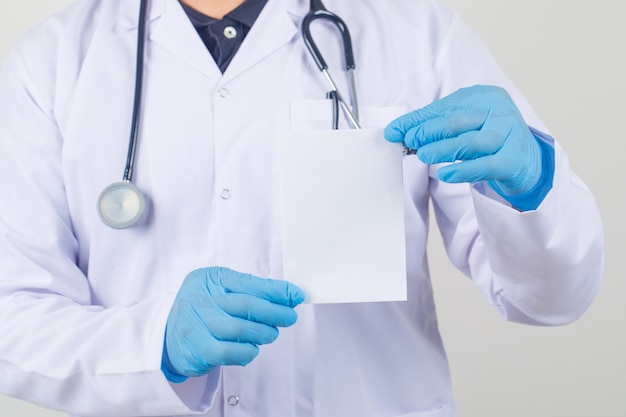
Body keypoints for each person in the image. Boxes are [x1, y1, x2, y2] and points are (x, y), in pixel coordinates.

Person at [0, 0, 603, 416]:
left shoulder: (414, 31)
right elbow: (14, 317)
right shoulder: (52, 64)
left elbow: (550, 299)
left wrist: (530, 185)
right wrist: (153, 342)